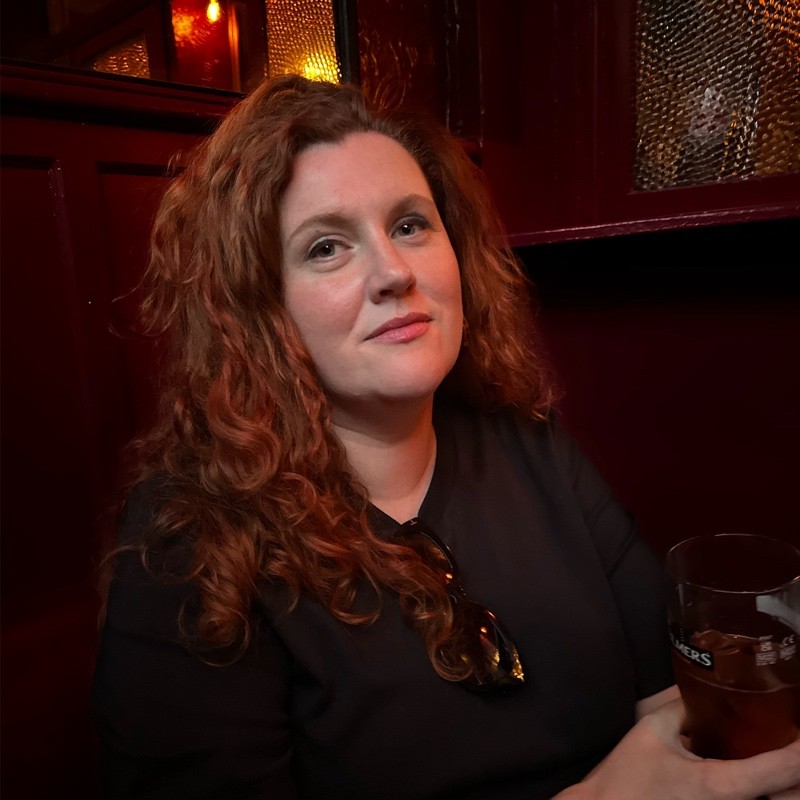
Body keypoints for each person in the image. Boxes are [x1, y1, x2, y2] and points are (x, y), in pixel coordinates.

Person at [91, 74, 800, 800]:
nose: (393, 272)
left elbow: (668, 696)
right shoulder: (190, 538)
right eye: (327, 246)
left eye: (409, 225)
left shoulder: (529, 444)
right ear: (257, 311)